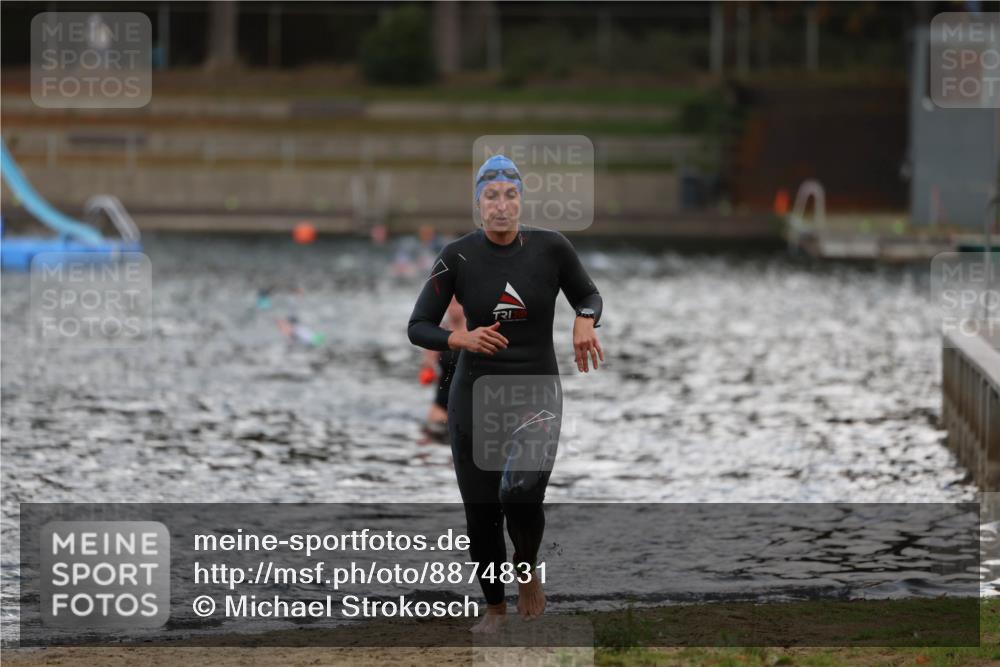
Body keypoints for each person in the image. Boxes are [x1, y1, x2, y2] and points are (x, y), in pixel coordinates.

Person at [407, 154, 604, 633]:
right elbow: (418, 326)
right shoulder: (457, 255)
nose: (501, 205)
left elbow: (589, 295)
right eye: (491, 196)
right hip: (473, 395)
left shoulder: (551, 248)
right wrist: (462, 338)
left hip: (536, 390)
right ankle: (495, 608)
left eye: (510, 195)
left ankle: (527, 564)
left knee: (519, 490)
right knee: (481, 514)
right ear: (478, 206)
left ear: (521, 200)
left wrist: (584, 320)